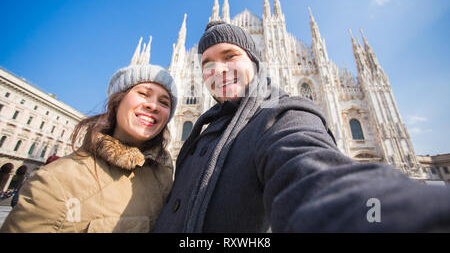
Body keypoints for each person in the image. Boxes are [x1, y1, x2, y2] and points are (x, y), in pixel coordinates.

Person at [153, 21, 450, 233]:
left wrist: (408, 214)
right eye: (207, 63)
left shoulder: (282, 114)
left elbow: (311, 172)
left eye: (231, 56)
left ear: (255, 62)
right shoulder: (204, 129)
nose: (218, 69)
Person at [1, 38, 177, 233]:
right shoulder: (57, 182)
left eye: (164, 102)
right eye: (143, 93)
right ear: (117, 101)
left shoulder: (163, 175)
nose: (152, 105)